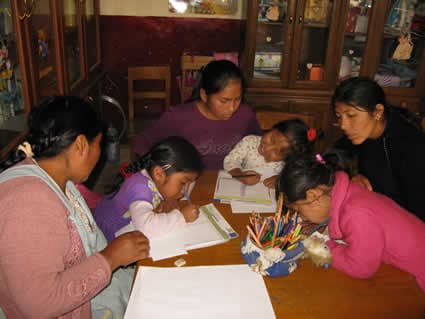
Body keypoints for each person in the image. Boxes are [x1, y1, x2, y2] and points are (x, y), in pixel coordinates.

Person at [0, 96, 150, 319]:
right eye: (99, 145)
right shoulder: (29, 202)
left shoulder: (61, 182)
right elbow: (38, 304)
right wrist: (111, 258)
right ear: (81, 145)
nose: (99, 156)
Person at [277, 151, 425, 292]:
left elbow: (361, 268)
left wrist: (325, 247)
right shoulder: (349, 193)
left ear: (313, 196)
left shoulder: (357, 214)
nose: (301, 218)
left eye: (299, 211)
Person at [133, 59, 262, 170]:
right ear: (204, 95)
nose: (232, 108)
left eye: (237, 99)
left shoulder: (245, 115)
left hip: (233, 184)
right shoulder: (178, 117)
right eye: (224, 101)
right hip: (190, 184)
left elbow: (260, 145)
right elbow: (142, 142)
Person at [332, 76, 425, 221]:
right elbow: (326, 159)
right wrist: (352, 175)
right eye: (339, 116)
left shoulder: (410, 146)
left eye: (351, 116)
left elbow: (416, 210)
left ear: (377, 112)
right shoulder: (359, 132)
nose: (343, 125)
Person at [94, 136, 203, 243]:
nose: (186, 191)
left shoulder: (153, 178)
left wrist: (169, 199)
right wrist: (182, 217)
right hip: (111, 237)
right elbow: (146, 228)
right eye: (183, 183)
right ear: (159, 174)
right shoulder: (140, 188)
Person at [223, 119, 317, 188]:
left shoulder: (289, 164)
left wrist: (281, 180)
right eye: (272, 139)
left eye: (276, 152)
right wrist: (241, 175)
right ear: (273, 128)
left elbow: (300, 176)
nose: (268, 148)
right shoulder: (249, 141)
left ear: (287, 158)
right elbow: (230, 161)